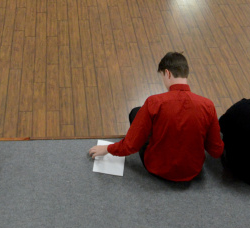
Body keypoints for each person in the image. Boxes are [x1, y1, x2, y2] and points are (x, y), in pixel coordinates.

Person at [87, 52, 223, 182]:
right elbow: (216, 151)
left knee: (136, 113)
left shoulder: (155, 102)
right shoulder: (208, 105)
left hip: (157, 167)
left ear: (167, 73)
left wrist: (107, 149)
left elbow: (130, 146)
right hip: (193, 170)